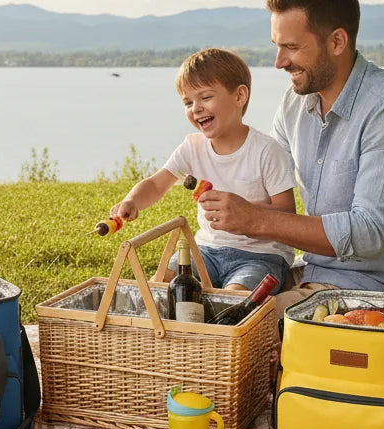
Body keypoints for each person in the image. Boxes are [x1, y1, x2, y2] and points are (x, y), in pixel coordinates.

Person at [197, 0, 384, 318]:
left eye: (292, 48)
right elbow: (265, 197)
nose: (279, 62)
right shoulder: (295, 104)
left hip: (377, 291)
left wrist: (253, 220)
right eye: (277, 47)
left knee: (235, 324)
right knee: (190, 299)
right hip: (313, 272)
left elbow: (370, 234)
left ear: (337, 42)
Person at [111, 47, 296, 292]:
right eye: (188, 102)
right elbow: (157, 184)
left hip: (260, 256)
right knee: (161, 285)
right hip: (206, 251)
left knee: (235, 300)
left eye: (206, 97)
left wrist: (244, 210)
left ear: (239, 96)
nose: (195, 108)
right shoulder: (192, 147)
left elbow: (287, 213)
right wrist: (132, 200)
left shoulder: (267, 151)